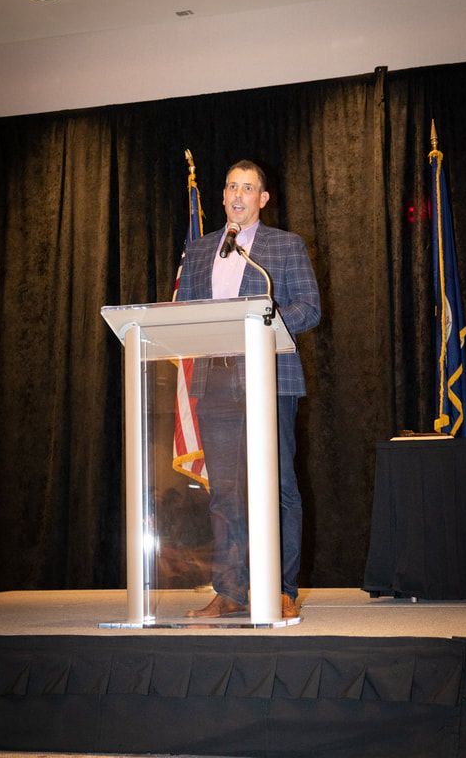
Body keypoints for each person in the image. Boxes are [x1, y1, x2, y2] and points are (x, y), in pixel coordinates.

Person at [176, 160, 321, 619]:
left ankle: (282, 588)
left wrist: (265, 323)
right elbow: (183, 310)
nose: (238, 195)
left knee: (277, 485)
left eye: (249, 188)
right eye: (231, 186)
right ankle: (232, 590)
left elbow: (309, 308)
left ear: (263, 199)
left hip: (269, 377)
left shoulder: (284, 246)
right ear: (222, 196)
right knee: (225, 491)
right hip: (214, 380)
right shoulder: (200, 251)